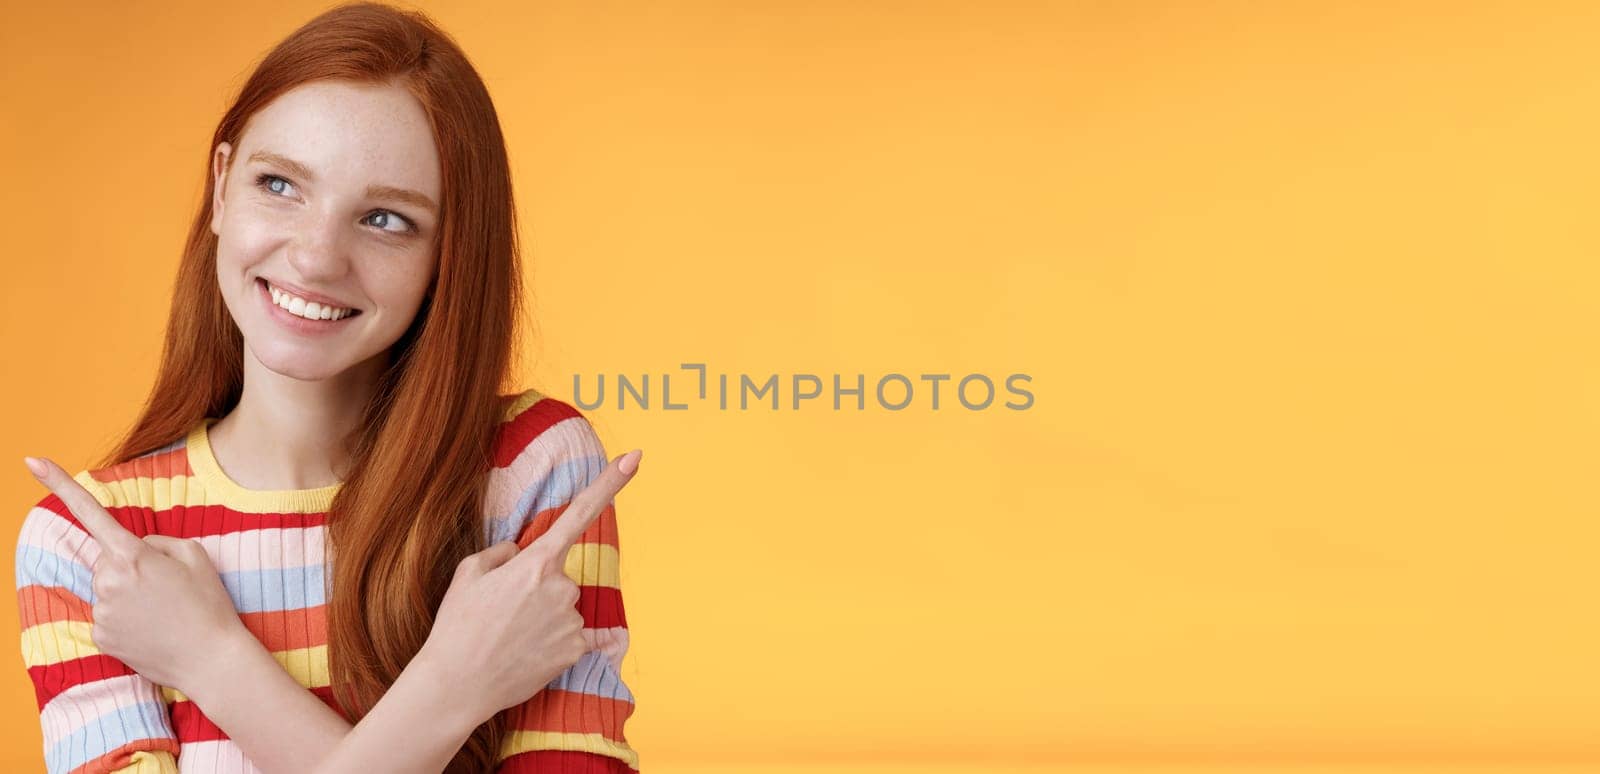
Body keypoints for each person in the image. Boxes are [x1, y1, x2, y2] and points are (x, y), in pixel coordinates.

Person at [13, 3, 641, 773]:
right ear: (220, 187)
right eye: (279, 183)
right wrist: (452, 689)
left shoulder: (529, 469)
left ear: (451, 253)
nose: (315, 259)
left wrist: (214, 662)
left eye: (385, 219)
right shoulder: (94, 547)